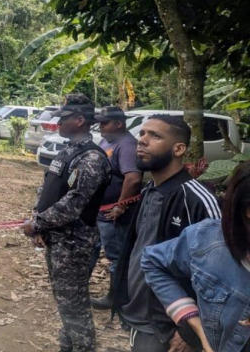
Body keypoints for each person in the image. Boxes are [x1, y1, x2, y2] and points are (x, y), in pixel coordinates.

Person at [111, 114, 221, 352]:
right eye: (142, 133)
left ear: (179, 148)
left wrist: (190, 331)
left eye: (155, 135)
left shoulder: (197, 199)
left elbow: (220, 272)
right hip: (140, 318)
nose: (142, 140)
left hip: (172, 328)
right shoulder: (149, 191)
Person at [23, 94, 111, 352]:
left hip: (74, 244)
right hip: (58, 239)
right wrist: (38, 223)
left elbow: (74, 203)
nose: (58, 123)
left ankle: (83, 348)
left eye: (64, 118)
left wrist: (38, 224)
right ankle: (67, 346)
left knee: (75, 305)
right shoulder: (68, 151)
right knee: (65, 302)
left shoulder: (92, 158)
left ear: (80, 120)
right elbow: (48, 189)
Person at [141, 161, 250, 352]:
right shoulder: (208, 240)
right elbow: (153, 260)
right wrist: (195, 329)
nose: (143, 142)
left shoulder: (199, 198)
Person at [89, 107, 142, 309]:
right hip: (99, 210)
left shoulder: (127, 145)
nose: (100, 126)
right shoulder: (108, 141)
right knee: (94, 248)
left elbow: (133, 179)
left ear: (118, 124)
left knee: (116, 256)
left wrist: (120, 206)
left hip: (113, 213)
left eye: (105, 123)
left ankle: (116, 298)